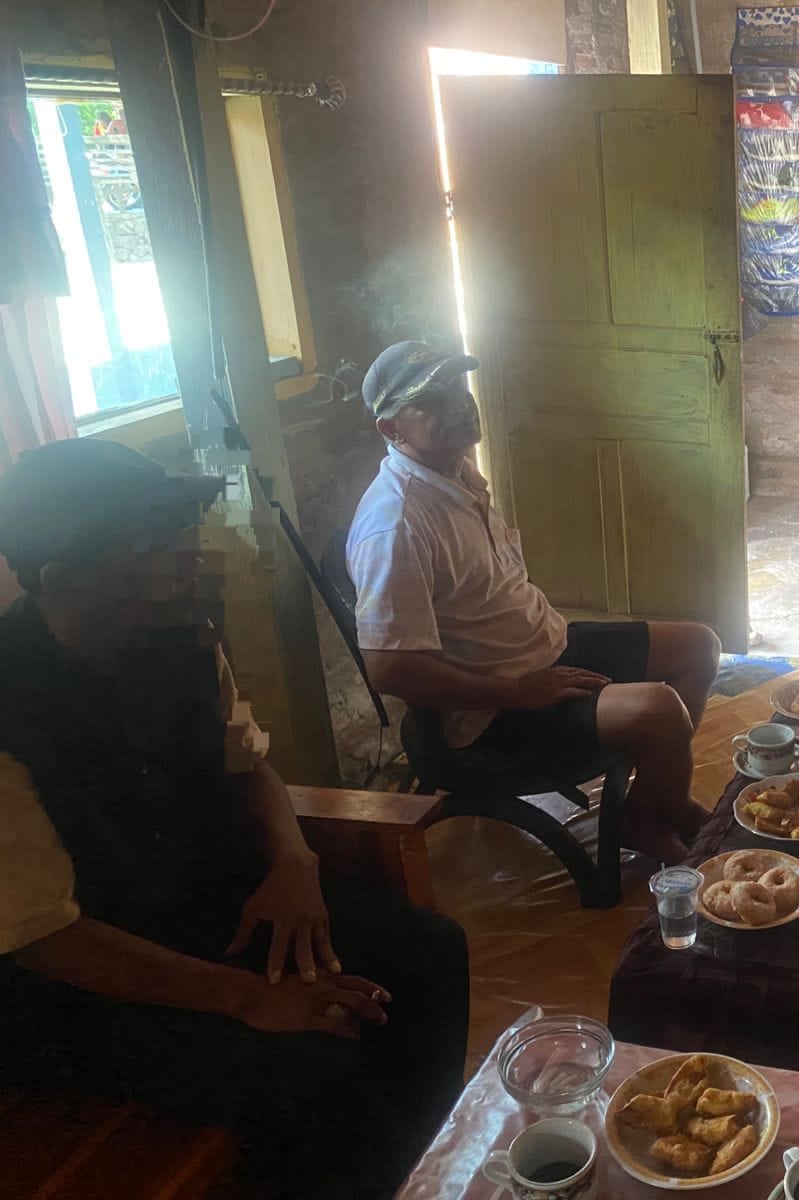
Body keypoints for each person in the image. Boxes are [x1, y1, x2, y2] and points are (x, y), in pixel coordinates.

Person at [0, 439, 468, 1199]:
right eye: (154, 544)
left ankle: (423, 1172)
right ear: (63, 580)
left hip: (211, 910)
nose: (189, 556)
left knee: (428, 954)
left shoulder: (180, 636)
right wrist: (250, 997)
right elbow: (46, 939)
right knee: (313, 1067)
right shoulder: (10, 712)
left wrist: (294, 863)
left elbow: (248, 764)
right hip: (93, 987)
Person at [346, 341, 720, 864]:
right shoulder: (397, 524)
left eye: (456, 386)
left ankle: (658, 802)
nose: (458, 403)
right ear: (391, 429)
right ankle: (645, 821)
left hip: (545, 652)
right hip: (492, 709)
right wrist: (516, 691)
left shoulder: (456, 472)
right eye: (429, 400)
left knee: (698, 647)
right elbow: (390, 669)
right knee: (659, 711)